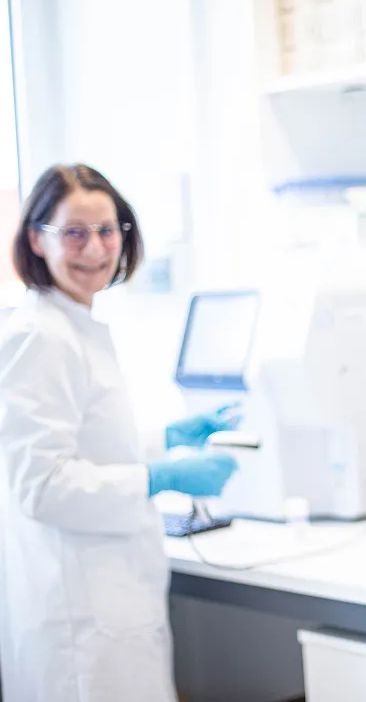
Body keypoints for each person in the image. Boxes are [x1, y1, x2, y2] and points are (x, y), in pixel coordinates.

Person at [0, 164, 239, 702]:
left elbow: (91, 444)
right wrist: (159, 476)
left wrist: (166, 440)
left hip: (107, 603)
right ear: (36, 239)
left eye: (108, 231)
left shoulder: (74, 326)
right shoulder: (40, 337)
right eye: (75, 233)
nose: (95, 249)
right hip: (80, 626)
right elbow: (42, 486)